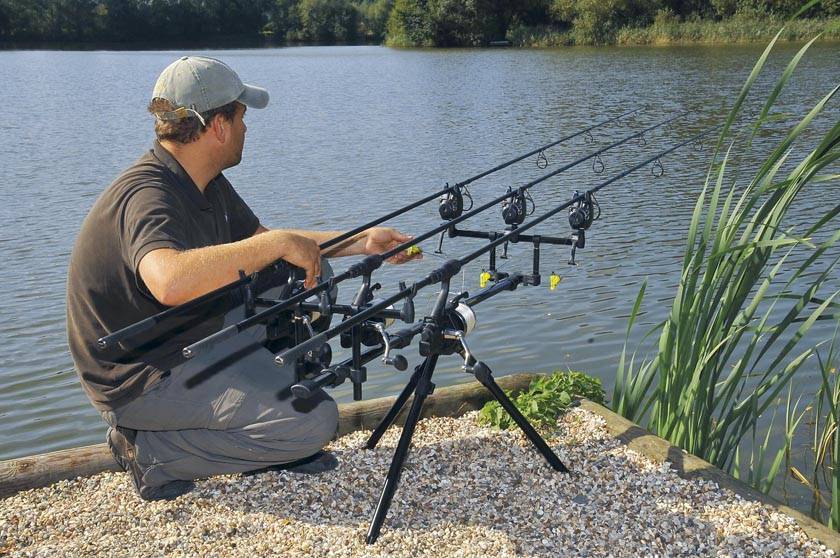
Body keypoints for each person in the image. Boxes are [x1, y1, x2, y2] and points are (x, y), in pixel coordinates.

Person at [66, 56, 420, 501]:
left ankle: (263, 412)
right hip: (139, 377)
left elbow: (268, 243)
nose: (246, 128)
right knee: (315, 423)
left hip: (186, 336)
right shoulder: (147, 194)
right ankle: (151, 453)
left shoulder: (204, 181)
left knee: (305, 273)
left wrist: (363, 241)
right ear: (218, 126)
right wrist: (275, 245)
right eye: (240, 117)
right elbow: (168, 281)